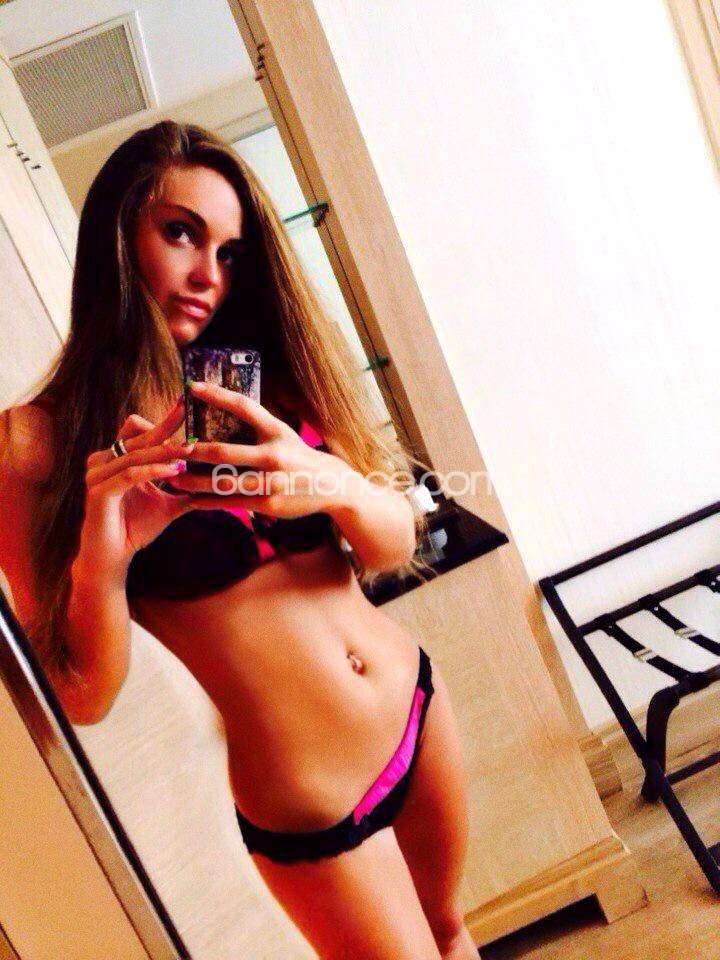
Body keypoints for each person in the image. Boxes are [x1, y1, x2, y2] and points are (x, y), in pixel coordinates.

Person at [0, 120, 478, 960]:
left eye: (228, 252)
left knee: (451, 929)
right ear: (118, 233)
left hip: (415, 700)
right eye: (181, 233)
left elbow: (391, 544)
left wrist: (329, 483)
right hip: (308, 797)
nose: (207, 276)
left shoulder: (257, 374)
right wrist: (106, 556)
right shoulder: (35, 444)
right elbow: (79, 694)